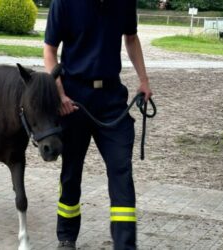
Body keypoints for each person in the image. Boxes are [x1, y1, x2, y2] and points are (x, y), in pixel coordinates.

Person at [43, 0, 153, 249]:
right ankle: (66, 237)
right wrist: (59, 92)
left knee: (121, 170)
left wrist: (144, 80)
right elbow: (49, 50)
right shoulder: (64, 3)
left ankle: (125, 244)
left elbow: (131, 38)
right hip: (73, 101)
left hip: (112, 99)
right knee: (71, 172)